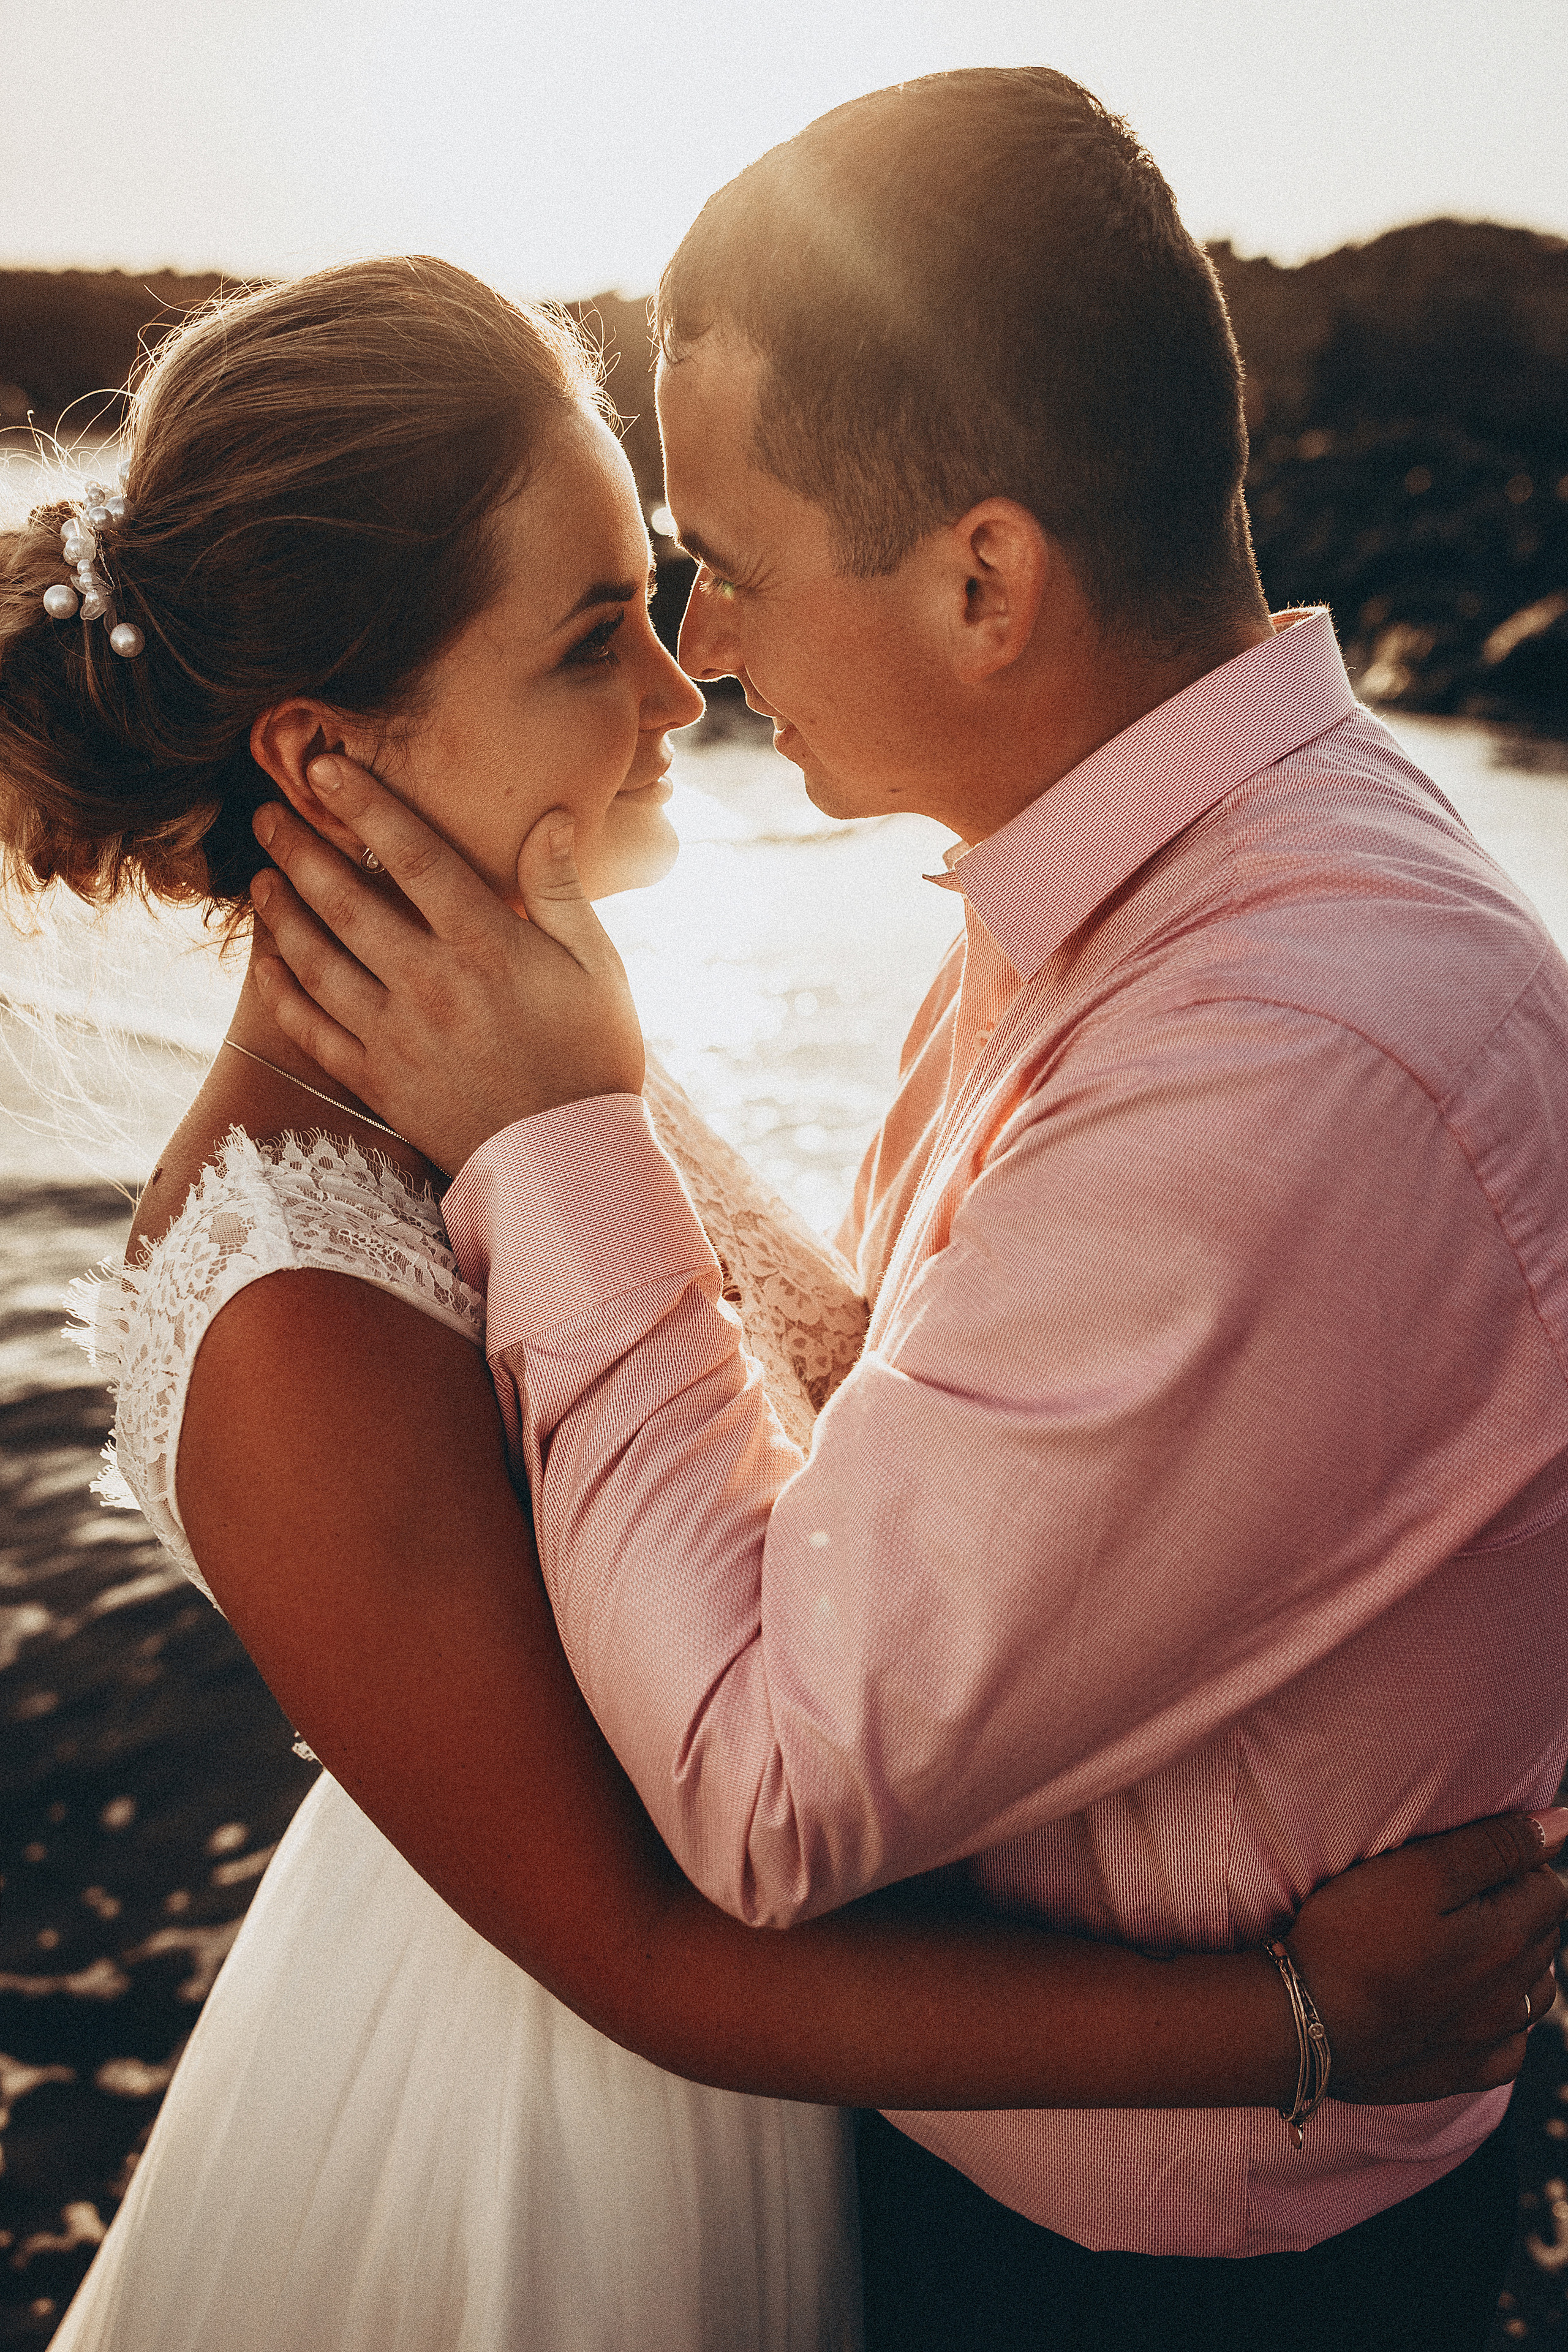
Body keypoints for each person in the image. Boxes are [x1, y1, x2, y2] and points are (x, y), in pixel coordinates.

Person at [248, 70, 1568, 2352]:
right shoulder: (1141, 894)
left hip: (1181, 2290)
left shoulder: (1266, 1063)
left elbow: (767, 1789)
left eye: (725, 567)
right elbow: (908, 1437)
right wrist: (576, 1108)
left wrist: (566, 1138)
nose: (705, 659)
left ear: (985, 577)